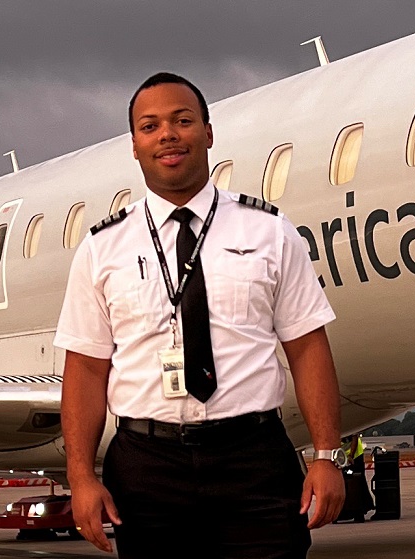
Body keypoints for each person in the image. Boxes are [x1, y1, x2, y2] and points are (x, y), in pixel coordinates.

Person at [54, 72, 346, 558]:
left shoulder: (270, 231)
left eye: (182, 121)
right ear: (134, 146)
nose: (167, 134)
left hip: (253, 458)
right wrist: (81, 478)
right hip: (147, 467)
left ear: (208, 133)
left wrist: (326, 457)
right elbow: (86, 369)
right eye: (150, 126)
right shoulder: (101, 249)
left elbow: (307, 346)